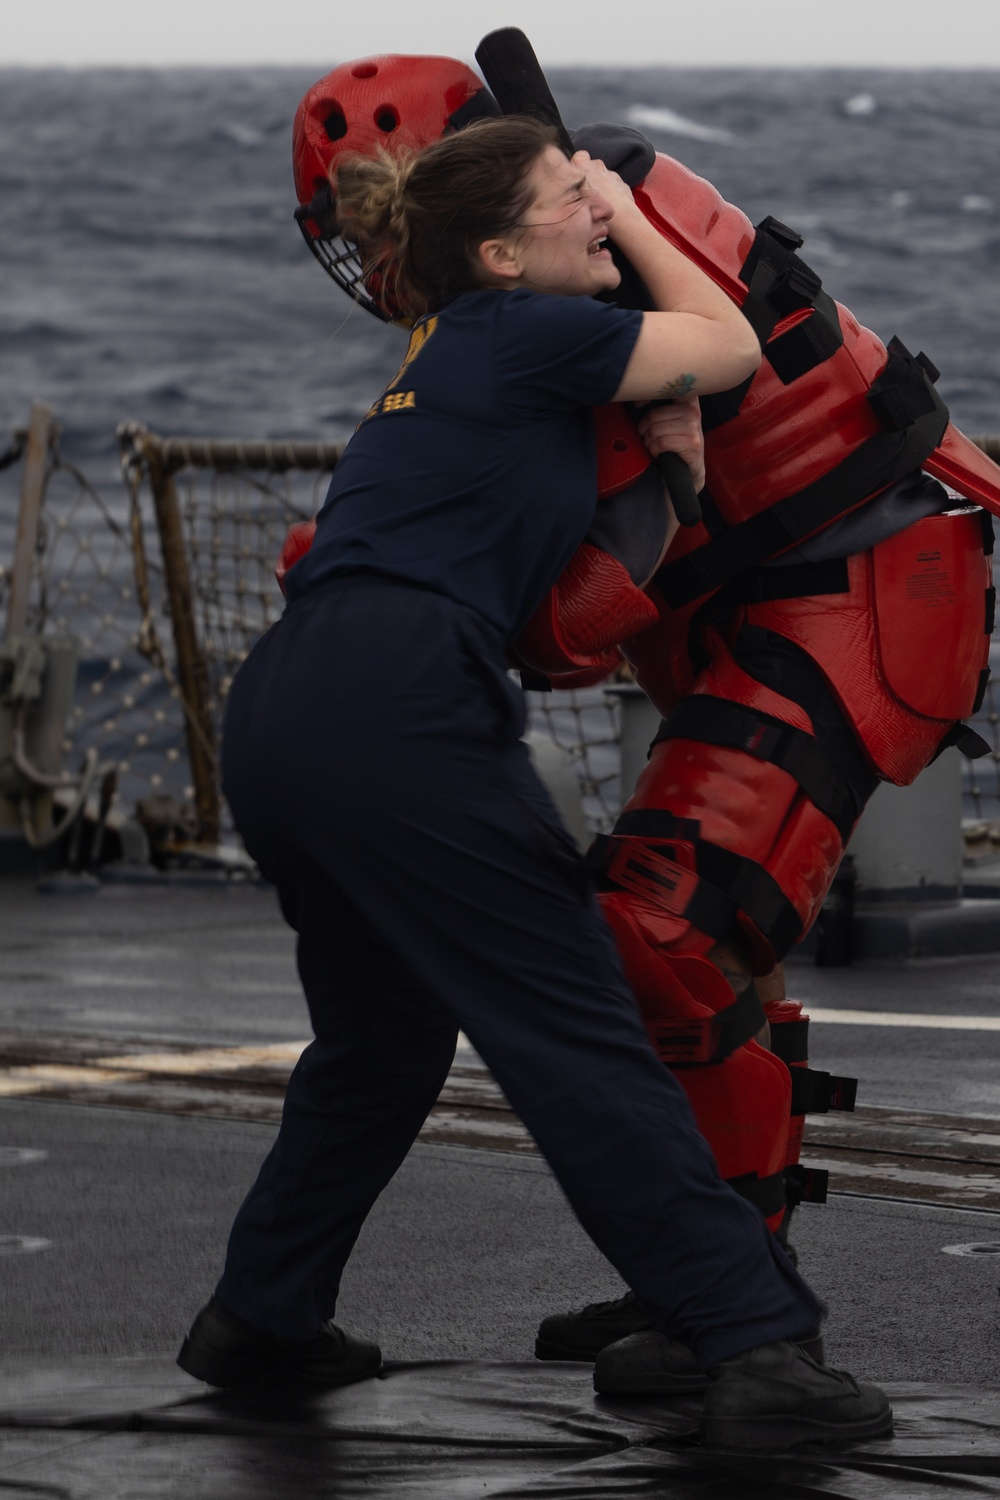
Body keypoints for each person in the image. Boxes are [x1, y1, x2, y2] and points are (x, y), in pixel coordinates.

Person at [177, 115, 891, 1450]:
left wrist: (672, 463)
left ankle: (261, 1317)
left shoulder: (456, 353)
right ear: (501, 256)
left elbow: (608, 544)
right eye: (574, 198)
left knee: (381, 1043)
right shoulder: (530, 335)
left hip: (288, 707)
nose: (597, 209)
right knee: (576, 1039)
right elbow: (732, 345)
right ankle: (756, 1342)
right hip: (401, 708)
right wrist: (641, 216)